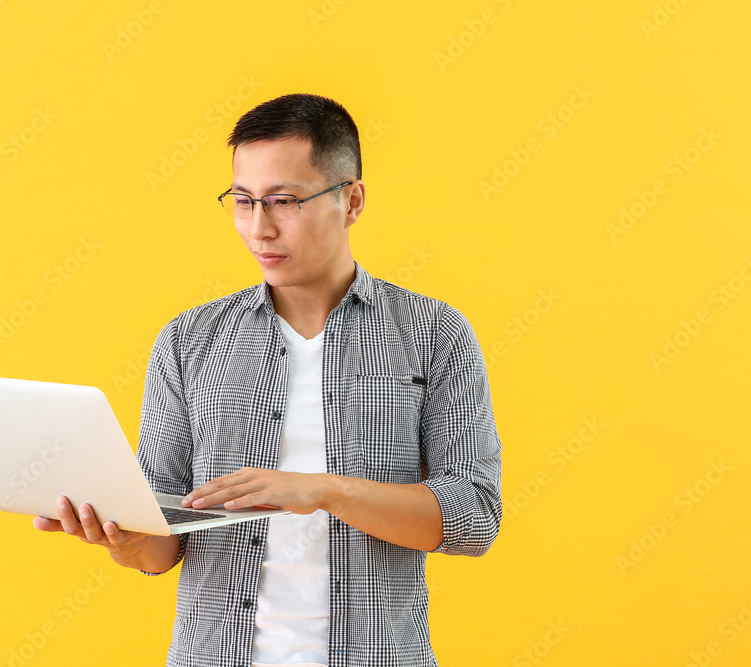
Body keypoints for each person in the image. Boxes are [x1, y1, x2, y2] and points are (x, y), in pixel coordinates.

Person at [33, 93, 503, 667]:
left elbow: (474, 518)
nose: (260, 228)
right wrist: (122, 539)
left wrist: (321, 489)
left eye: (284, 201)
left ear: (351, 201)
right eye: (243, 201)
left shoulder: (434, 334)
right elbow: (159, 548)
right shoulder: (189, 341)